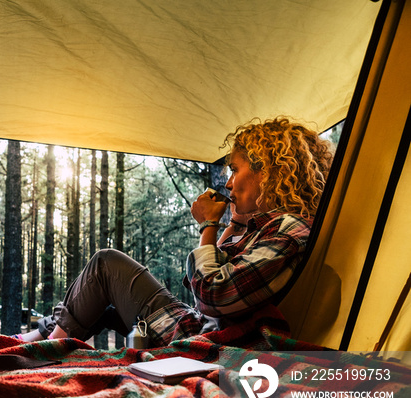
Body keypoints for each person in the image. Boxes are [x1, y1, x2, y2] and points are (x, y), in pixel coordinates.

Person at [17, 117, 332, 346]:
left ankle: (45, 349)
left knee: (106, 263)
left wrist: (209, 226)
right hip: (195, 326)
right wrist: (233, 226)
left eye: (235, 169)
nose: (229, 182)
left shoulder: (289, 229)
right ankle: (39, 336)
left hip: (200, 339)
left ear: (268, 170)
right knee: (107, 295)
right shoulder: (264, 229)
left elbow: (211, 294)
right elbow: (208, 282)